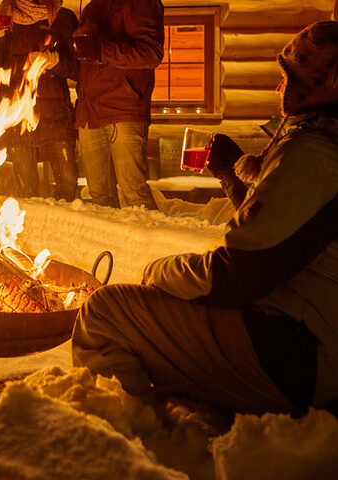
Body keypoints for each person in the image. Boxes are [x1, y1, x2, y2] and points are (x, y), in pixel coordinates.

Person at [72, 21, 338, 416]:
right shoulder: (323, 143)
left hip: (298, 356)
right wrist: (231, 173)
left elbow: (237, 276)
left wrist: (157, 272)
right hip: (304, 334)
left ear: (309, 89)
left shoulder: (312, 153)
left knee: (103, 311)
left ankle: (140, 441)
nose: (278, 89)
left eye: (287, 79)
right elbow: (282, 234)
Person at [73, 0, 164, 209]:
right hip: (90, 115)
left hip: (123, 111)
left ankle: (154, 252)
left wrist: (103, 50)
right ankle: (109, 253)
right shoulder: (90, 8)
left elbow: (151, 53)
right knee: (100, 199)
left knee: (134, 196)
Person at [0, 0, 78, 200]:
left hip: (56, 114)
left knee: (68, 184)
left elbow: (78, 68)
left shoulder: (63, 17)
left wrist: (55, 61)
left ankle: (70, 235)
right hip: (16, 113)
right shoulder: (3, 19)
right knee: (26, 190)